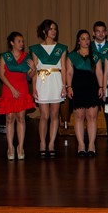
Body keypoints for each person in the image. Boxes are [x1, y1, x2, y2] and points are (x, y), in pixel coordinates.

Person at [29, 19, 68, 158]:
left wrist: (64, 86)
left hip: (56, 80)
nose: (54, 31)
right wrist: (34, 88)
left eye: (55, 29)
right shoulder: (36, 49)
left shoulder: (61, 48)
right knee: (44, 115)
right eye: (51, 29)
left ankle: (51, 143)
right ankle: (42, 143)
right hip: (42, 81)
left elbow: (64, 68)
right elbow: (34, 70)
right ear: (44, 31)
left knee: (54, 114)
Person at [0, 31, 36, 160]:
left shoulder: (26, 57)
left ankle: (20, 147)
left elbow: (29, 76)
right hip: (9, 90)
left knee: (21, 118)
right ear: (12, 43)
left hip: (22, 89)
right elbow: (1, 75)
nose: (22, 43)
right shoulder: (5, 56)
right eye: (19, 41)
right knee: (9, 118)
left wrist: (33, 69)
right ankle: (10, 147)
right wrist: (12, 89)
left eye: (22, 41)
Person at [66, 29, 104, 157]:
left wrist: (101, 87)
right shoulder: (72, 56)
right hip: (78, 87)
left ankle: (91, 144)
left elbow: (99, 72)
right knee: (79, 117)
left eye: (87, 38)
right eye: (83, 39)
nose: (86, 41)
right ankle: (81, 145)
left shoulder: (95, 55)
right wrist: (69, 87)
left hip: (92, 87)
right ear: (78, 41)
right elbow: (69, 73)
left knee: (92, 116)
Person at [91, 21, 108, 154]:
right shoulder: (87, 46)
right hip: (91, 84)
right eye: (97, 31)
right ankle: (90, 142)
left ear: (106, 33)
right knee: (90, 114)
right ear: (93, 33)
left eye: (102, 31)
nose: (100, 34)